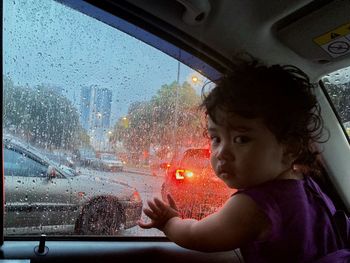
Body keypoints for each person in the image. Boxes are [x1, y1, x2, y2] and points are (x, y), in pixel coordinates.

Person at [138, 58, 350, 262]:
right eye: (215, 138)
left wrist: (169, 222)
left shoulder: (254, 206)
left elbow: (196, 235)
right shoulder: (307, 185)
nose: (221, 152)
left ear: (290, 148)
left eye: (241, 139)